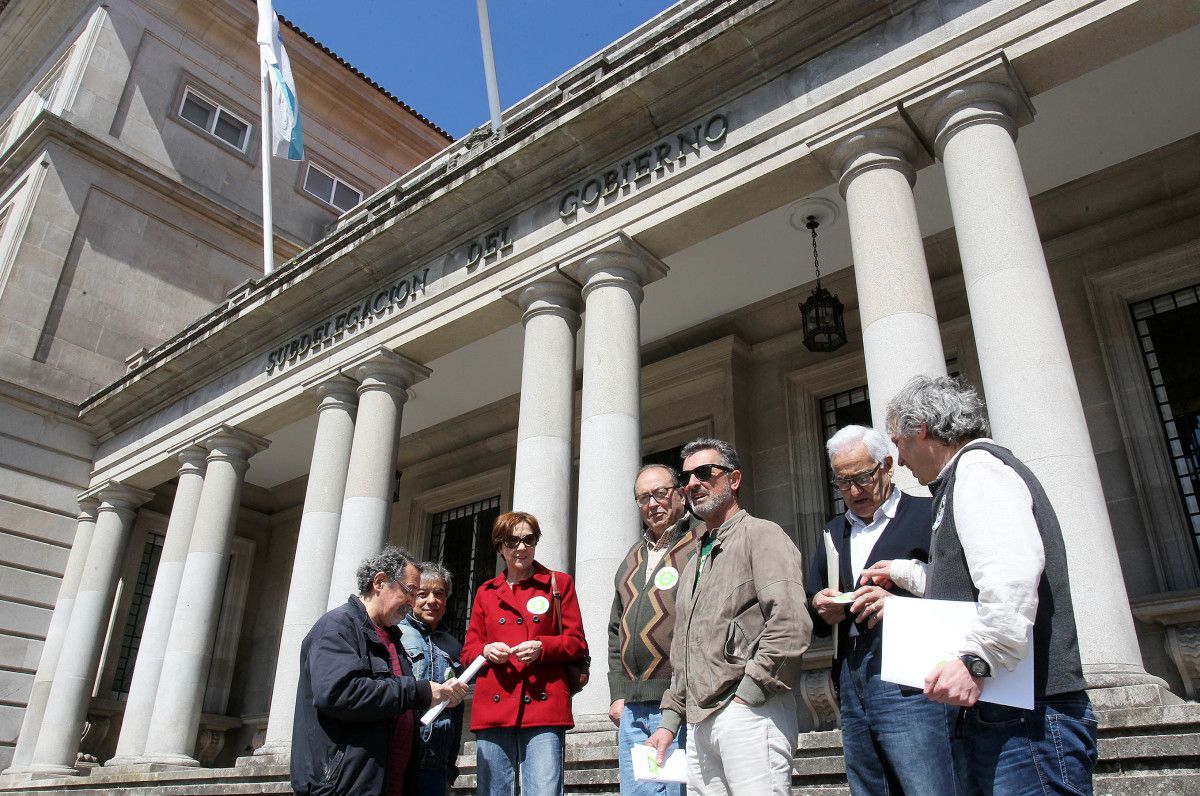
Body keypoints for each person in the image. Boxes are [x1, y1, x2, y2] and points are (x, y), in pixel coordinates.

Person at [885, 374, 1097, 794]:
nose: (901, 461)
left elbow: (1011, 578)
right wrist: (900, 573)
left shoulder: (979, 470)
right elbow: (967, 578)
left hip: (1028, 720)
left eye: (899, 444)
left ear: (920, 429)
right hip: (1005, 713)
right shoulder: (961, 479)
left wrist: (977, 661)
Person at [647, 438, 811, 795]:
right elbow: (684, 652)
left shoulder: (762, 535)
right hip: (699, 723)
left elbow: (790, 623)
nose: (693, 483)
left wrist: (748, 692)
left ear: (733, 479)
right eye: (687, 477)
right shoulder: (692, 562)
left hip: (751, 711)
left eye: (705, 472)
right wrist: (669, 721)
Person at [807, 424, 958, 795]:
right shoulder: (834, 531)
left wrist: (898, 605)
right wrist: (821, 606)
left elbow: (956, 589)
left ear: (887, 466)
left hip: (911, 669)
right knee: (869, 784)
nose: (853, 491)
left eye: (862, 477)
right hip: (850, 669)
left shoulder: (927, 515)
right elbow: (812, 599)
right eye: (842, 482)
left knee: (925, 782)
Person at [291, 546, 468, 796]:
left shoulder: (391, 638)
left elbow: (391, 702)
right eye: (410, 591)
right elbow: (339, 694)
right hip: (343, 787)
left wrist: (438, 697)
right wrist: (419, 692)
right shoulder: (337, 628)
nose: (412, 602)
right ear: (380, 582)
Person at [462, 511, 589, 796]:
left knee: (544, 790)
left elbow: (577, 642)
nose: (521, 547)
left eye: (528, 540)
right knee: (493, 791)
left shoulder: (558, 584)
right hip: (495, 704)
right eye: (512, 540)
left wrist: (543, 646)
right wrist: (486, 649)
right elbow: (468, 652)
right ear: (500, 546)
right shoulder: (486, 592)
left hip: (544, 703)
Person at [608, 464, 703, 796]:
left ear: (678, 493)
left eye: (660, 493)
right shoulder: (631, 557)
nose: (652, 504)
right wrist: (618, 692)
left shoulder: (702, 540)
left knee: (681, 793)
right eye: (643, 498)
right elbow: (614, 629)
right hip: (634, 709)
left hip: (683, 704)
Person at [398, 562, 465, 795]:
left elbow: (457, 711)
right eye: (422, 594)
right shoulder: (396, 634)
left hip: (437, 764)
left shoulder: (453, 645)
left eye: (439, 593)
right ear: (411, 597)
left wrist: (449, 770)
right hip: (401, 758)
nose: (431, 601)